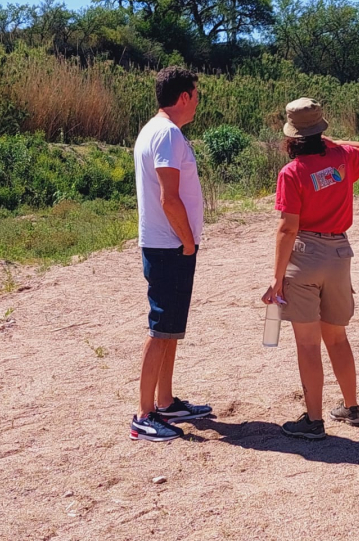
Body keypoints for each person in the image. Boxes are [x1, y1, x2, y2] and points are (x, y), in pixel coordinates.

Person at [262, 97, 359, 440]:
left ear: (290, 136)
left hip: (305, 257)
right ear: (321, 131)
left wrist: (277, 278)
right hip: (339, 256)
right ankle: (351, 407)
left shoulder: (291, 173)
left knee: (307, 344)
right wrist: (335, 145)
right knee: (337, 337)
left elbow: (287, 228)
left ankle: (314, 421)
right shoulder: (342, 159)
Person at [129, 66, 212, 443]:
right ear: (183, 97)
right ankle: (144, 415)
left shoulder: (157, 129)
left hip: (167, 243)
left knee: (170, 328)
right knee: (160, 329)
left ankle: (165, 402)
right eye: (195, 95)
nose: (197, 102)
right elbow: (169, 196)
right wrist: (188, 240)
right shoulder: (167, 134)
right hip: (169, 245)